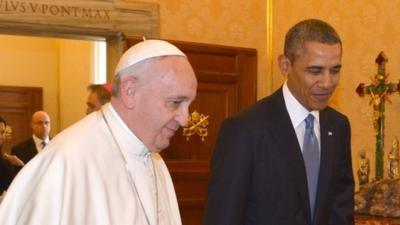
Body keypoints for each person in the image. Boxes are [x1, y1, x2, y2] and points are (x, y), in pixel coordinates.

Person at [0, 40, 197, 225]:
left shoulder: (155, 161)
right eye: (175, 102)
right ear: (130, 90)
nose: (185, 119)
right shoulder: (66, 161)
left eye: (188, 104)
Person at [205, 19, 354, 225]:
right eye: (315, 71)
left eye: (335, 70)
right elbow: (224, 216)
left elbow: (340, 209)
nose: (327, 82)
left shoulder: (338, 126)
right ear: (285, 65)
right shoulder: (245, 129)